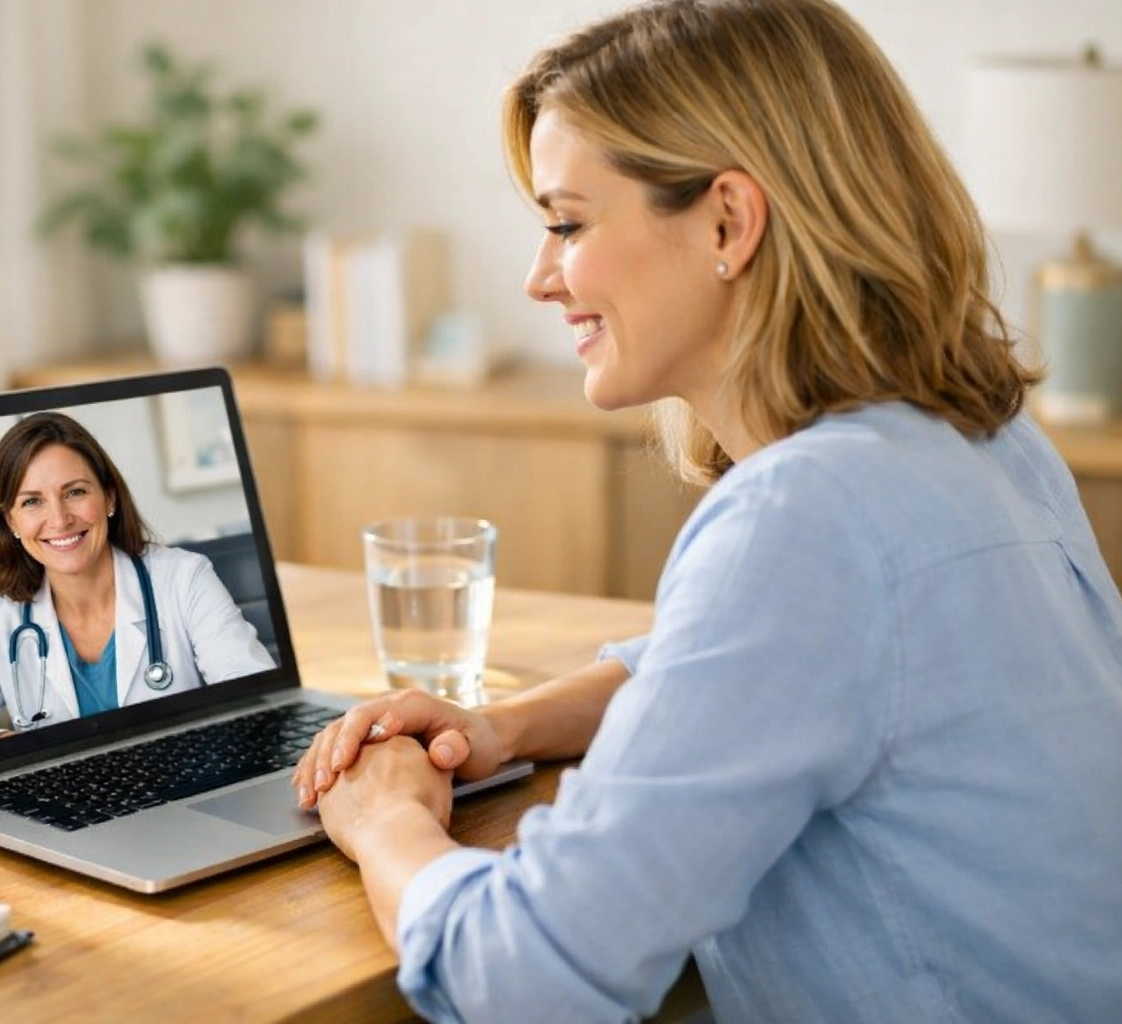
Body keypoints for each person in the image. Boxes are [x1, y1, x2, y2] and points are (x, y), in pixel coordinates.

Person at [292, 1, 1122, 1021]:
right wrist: (508, 725)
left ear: (729, 221)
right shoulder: (984, 440)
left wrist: (387, 826)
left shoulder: (808, 516)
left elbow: (529, 978)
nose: (540, 277)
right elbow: (773, 675)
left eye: (568, 222)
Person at [0, 412, 275, 759]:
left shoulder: (183, 579)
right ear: (11, 522)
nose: (59, 519)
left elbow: (259, 701)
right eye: (32, 501)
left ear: (109, 496)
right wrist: (14, 747)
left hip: (188, 786)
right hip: (68, 812)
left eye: (75, 492)